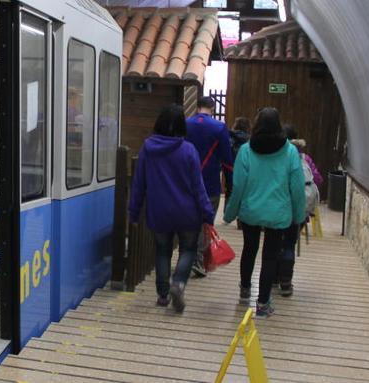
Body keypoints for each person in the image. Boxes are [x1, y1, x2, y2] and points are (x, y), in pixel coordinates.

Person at [129, 104, 215, 313]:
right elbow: (198, 187)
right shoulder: (188, 150)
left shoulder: (148, 149)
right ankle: (178, 283)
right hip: (188, 213)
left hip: (159, 212)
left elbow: (139, 184)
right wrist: (207, 213)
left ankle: (163, 294)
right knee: (188, 249)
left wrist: (134, 212)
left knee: (162, 251)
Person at [223, 108, 306, 317]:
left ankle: (244, 290)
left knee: (249, 249)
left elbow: (238, 185)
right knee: (270, 257)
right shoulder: (289, 152)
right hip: (278, 214)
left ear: (256, 124)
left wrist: (230, 213)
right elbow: (297, 188)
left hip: (250, 212)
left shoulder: (245, 151)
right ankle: (262, 304)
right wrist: (298, 215)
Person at [185, 96, 234, 276]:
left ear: (197, 107)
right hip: (210, 182)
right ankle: (198, 261)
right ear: (212, 109)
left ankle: (190, 259)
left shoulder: (185, 124)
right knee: (205, 222)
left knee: (189, 221)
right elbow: (227, 161)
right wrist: (230, 185)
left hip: (186, 182)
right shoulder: (219, 128)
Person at [276, 126, 321, 296]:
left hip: (278, 207)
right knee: (289, 244)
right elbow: (317, 178)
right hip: (299, 209)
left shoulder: (276, 156)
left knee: (274, 243)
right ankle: (286, 283)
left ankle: (272, 277)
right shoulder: (304, 158)